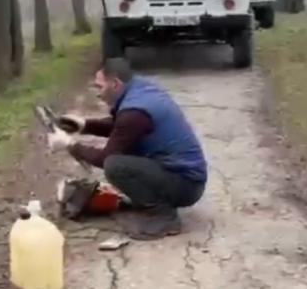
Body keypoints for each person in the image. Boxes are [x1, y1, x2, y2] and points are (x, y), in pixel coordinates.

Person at [47, 58, 207, 240]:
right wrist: (84, 125)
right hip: (183, 176)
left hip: (186, 185)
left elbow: (105, 157)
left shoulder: (134, 112)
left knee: (115, 165)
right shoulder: (141, 90)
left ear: (115, 84)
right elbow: (123, 127)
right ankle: (152, 203)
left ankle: (163, 217)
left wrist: (70, 144)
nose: (98, 93)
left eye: (100, 87)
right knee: (122, 157)